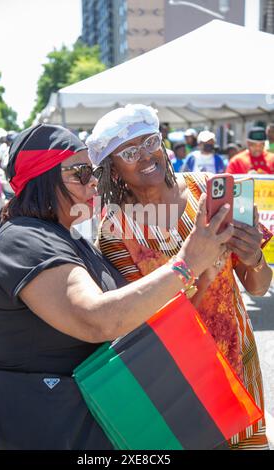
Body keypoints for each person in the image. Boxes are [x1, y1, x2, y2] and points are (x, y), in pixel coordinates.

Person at [0, 123, 231, 450]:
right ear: (43, 178)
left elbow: (132, 321)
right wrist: (186, 262)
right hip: (42, 425)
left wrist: (202, 277)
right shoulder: (23, 240)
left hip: (80, 418)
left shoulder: (67, 237)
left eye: (93, 170)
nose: (94, 179)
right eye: (80, 172)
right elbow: (97, 320)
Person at [86, 104, 273, 450]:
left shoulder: (210, 192)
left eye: (150, 142)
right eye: (130, 151)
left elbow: (259, 287)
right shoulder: (116, 231)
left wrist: (254, 257)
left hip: (238, 365)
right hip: (179, 379)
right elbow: (140, 320)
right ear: (113, 170)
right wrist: (198, 267)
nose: (146, 156)